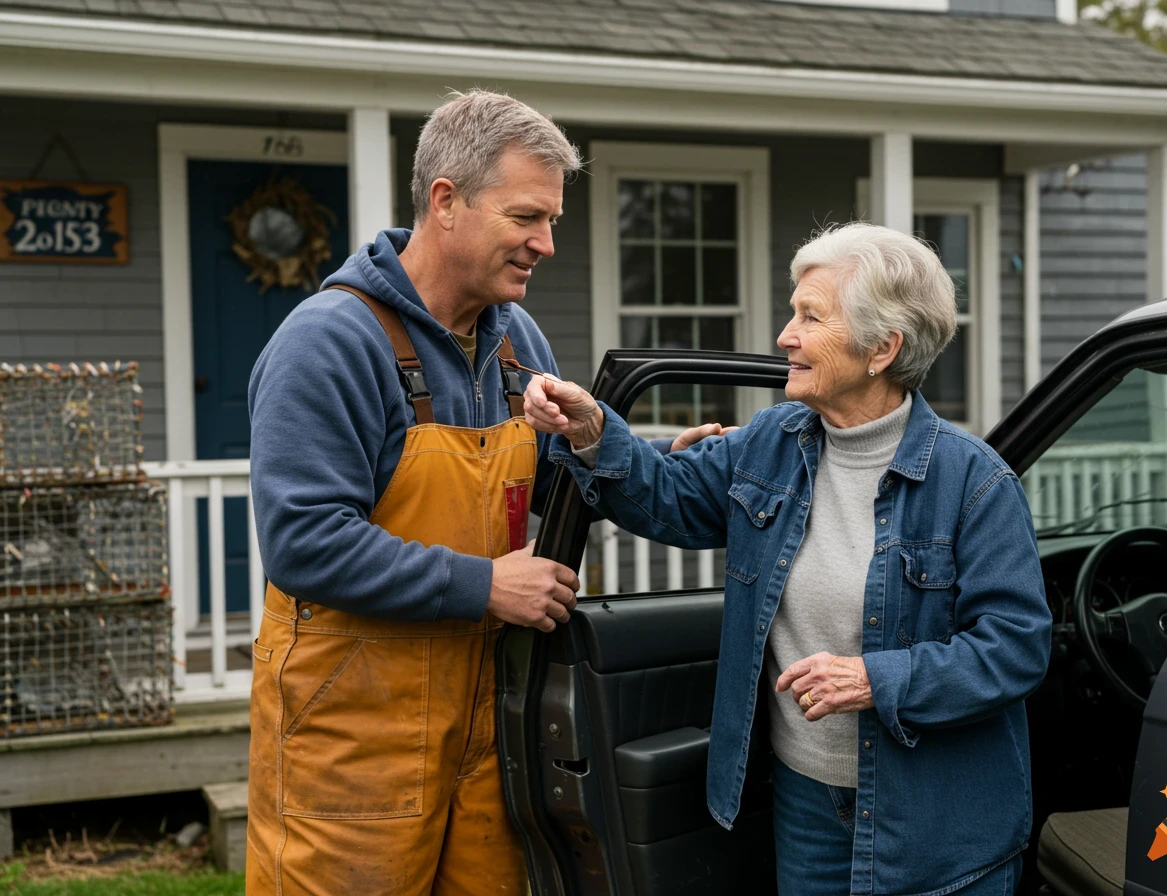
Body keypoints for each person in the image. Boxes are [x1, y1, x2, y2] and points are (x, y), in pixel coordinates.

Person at [244, 89, 720, 896]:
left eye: (553, 222)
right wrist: (487, 585)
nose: (547, 243)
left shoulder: (513, 338)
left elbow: (548, 484)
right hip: (351, 732)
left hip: (489, 725)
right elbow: (306, 543)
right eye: (527, 217)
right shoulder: (328, 344)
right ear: (446, 202)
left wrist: (627, 453)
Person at [524, 222, 1054, 896]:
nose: (784, 335)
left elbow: (1015, 649)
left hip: (934, 827)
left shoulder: (974, 483)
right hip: (806, 807)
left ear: (881, 348)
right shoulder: (775, 440)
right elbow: (672, 497)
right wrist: (594, 431)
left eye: (810, 316)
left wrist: (874, 679)